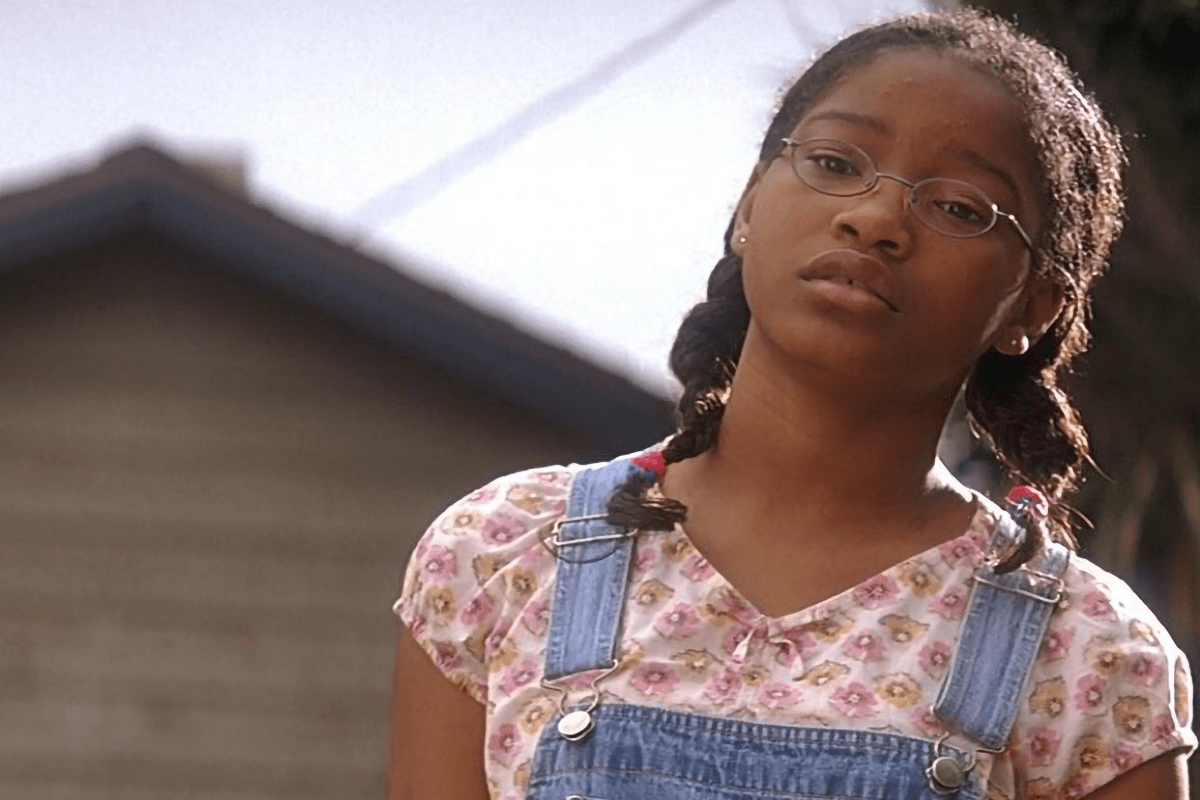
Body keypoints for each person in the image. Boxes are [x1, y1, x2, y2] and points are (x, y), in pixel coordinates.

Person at [388, 8, 1196, 799]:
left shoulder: (1091, 653)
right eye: (838, 163)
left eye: (957, 207)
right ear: (747, 207)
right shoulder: (506, 553)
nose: (875, 218)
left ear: (1035, 308)